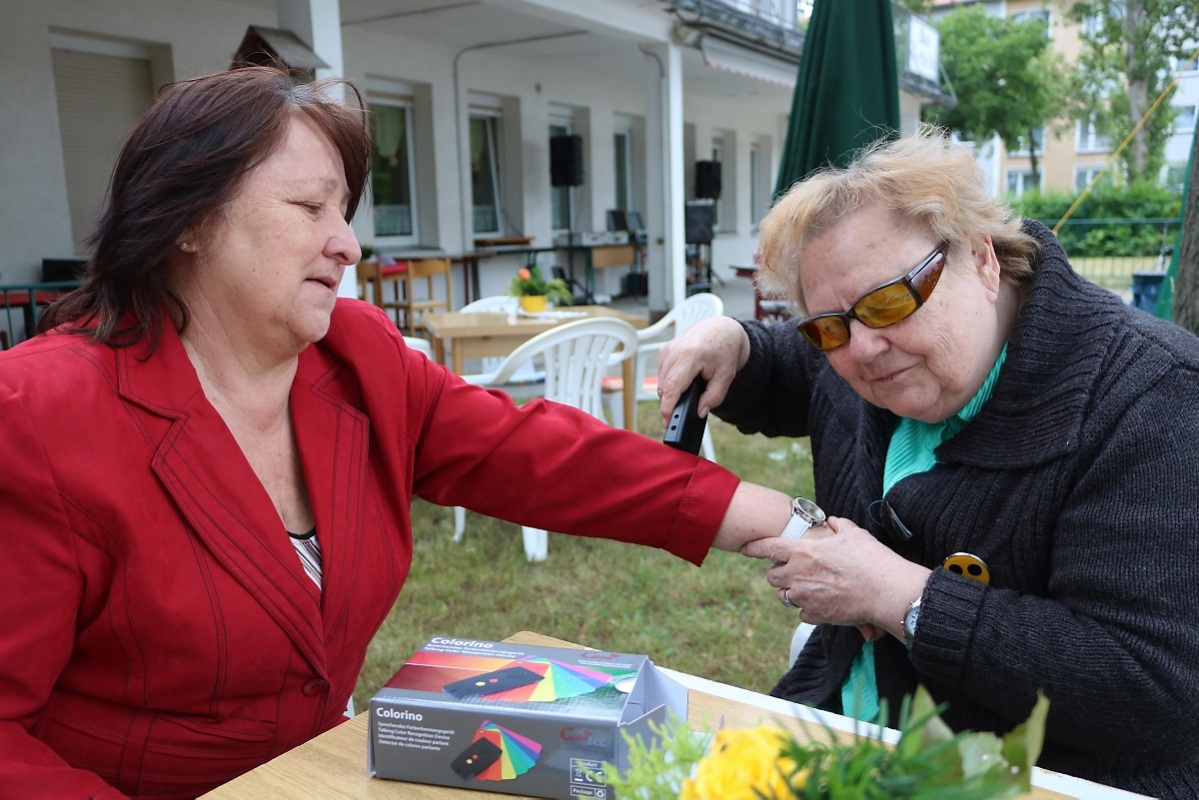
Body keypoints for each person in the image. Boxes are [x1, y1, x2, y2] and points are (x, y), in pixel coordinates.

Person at [0, 67, 799, 799]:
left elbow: (541, 457)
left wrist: (782, 524)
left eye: (342, 213)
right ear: (187, 222)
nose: (346, 244)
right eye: (309, 208)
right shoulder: (37, 412)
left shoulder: (357, 355)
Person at [657, 128, 1199, 798]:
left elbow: (1151, 691)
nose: (863, 350)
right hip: (839, 736)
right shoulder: (869, 348)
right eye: (827, 326)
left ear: (981, 258)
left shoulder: (1150, 397)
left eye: (888, 302)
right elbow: (796, 368)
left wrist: (897, 595)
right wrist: (736, 342)